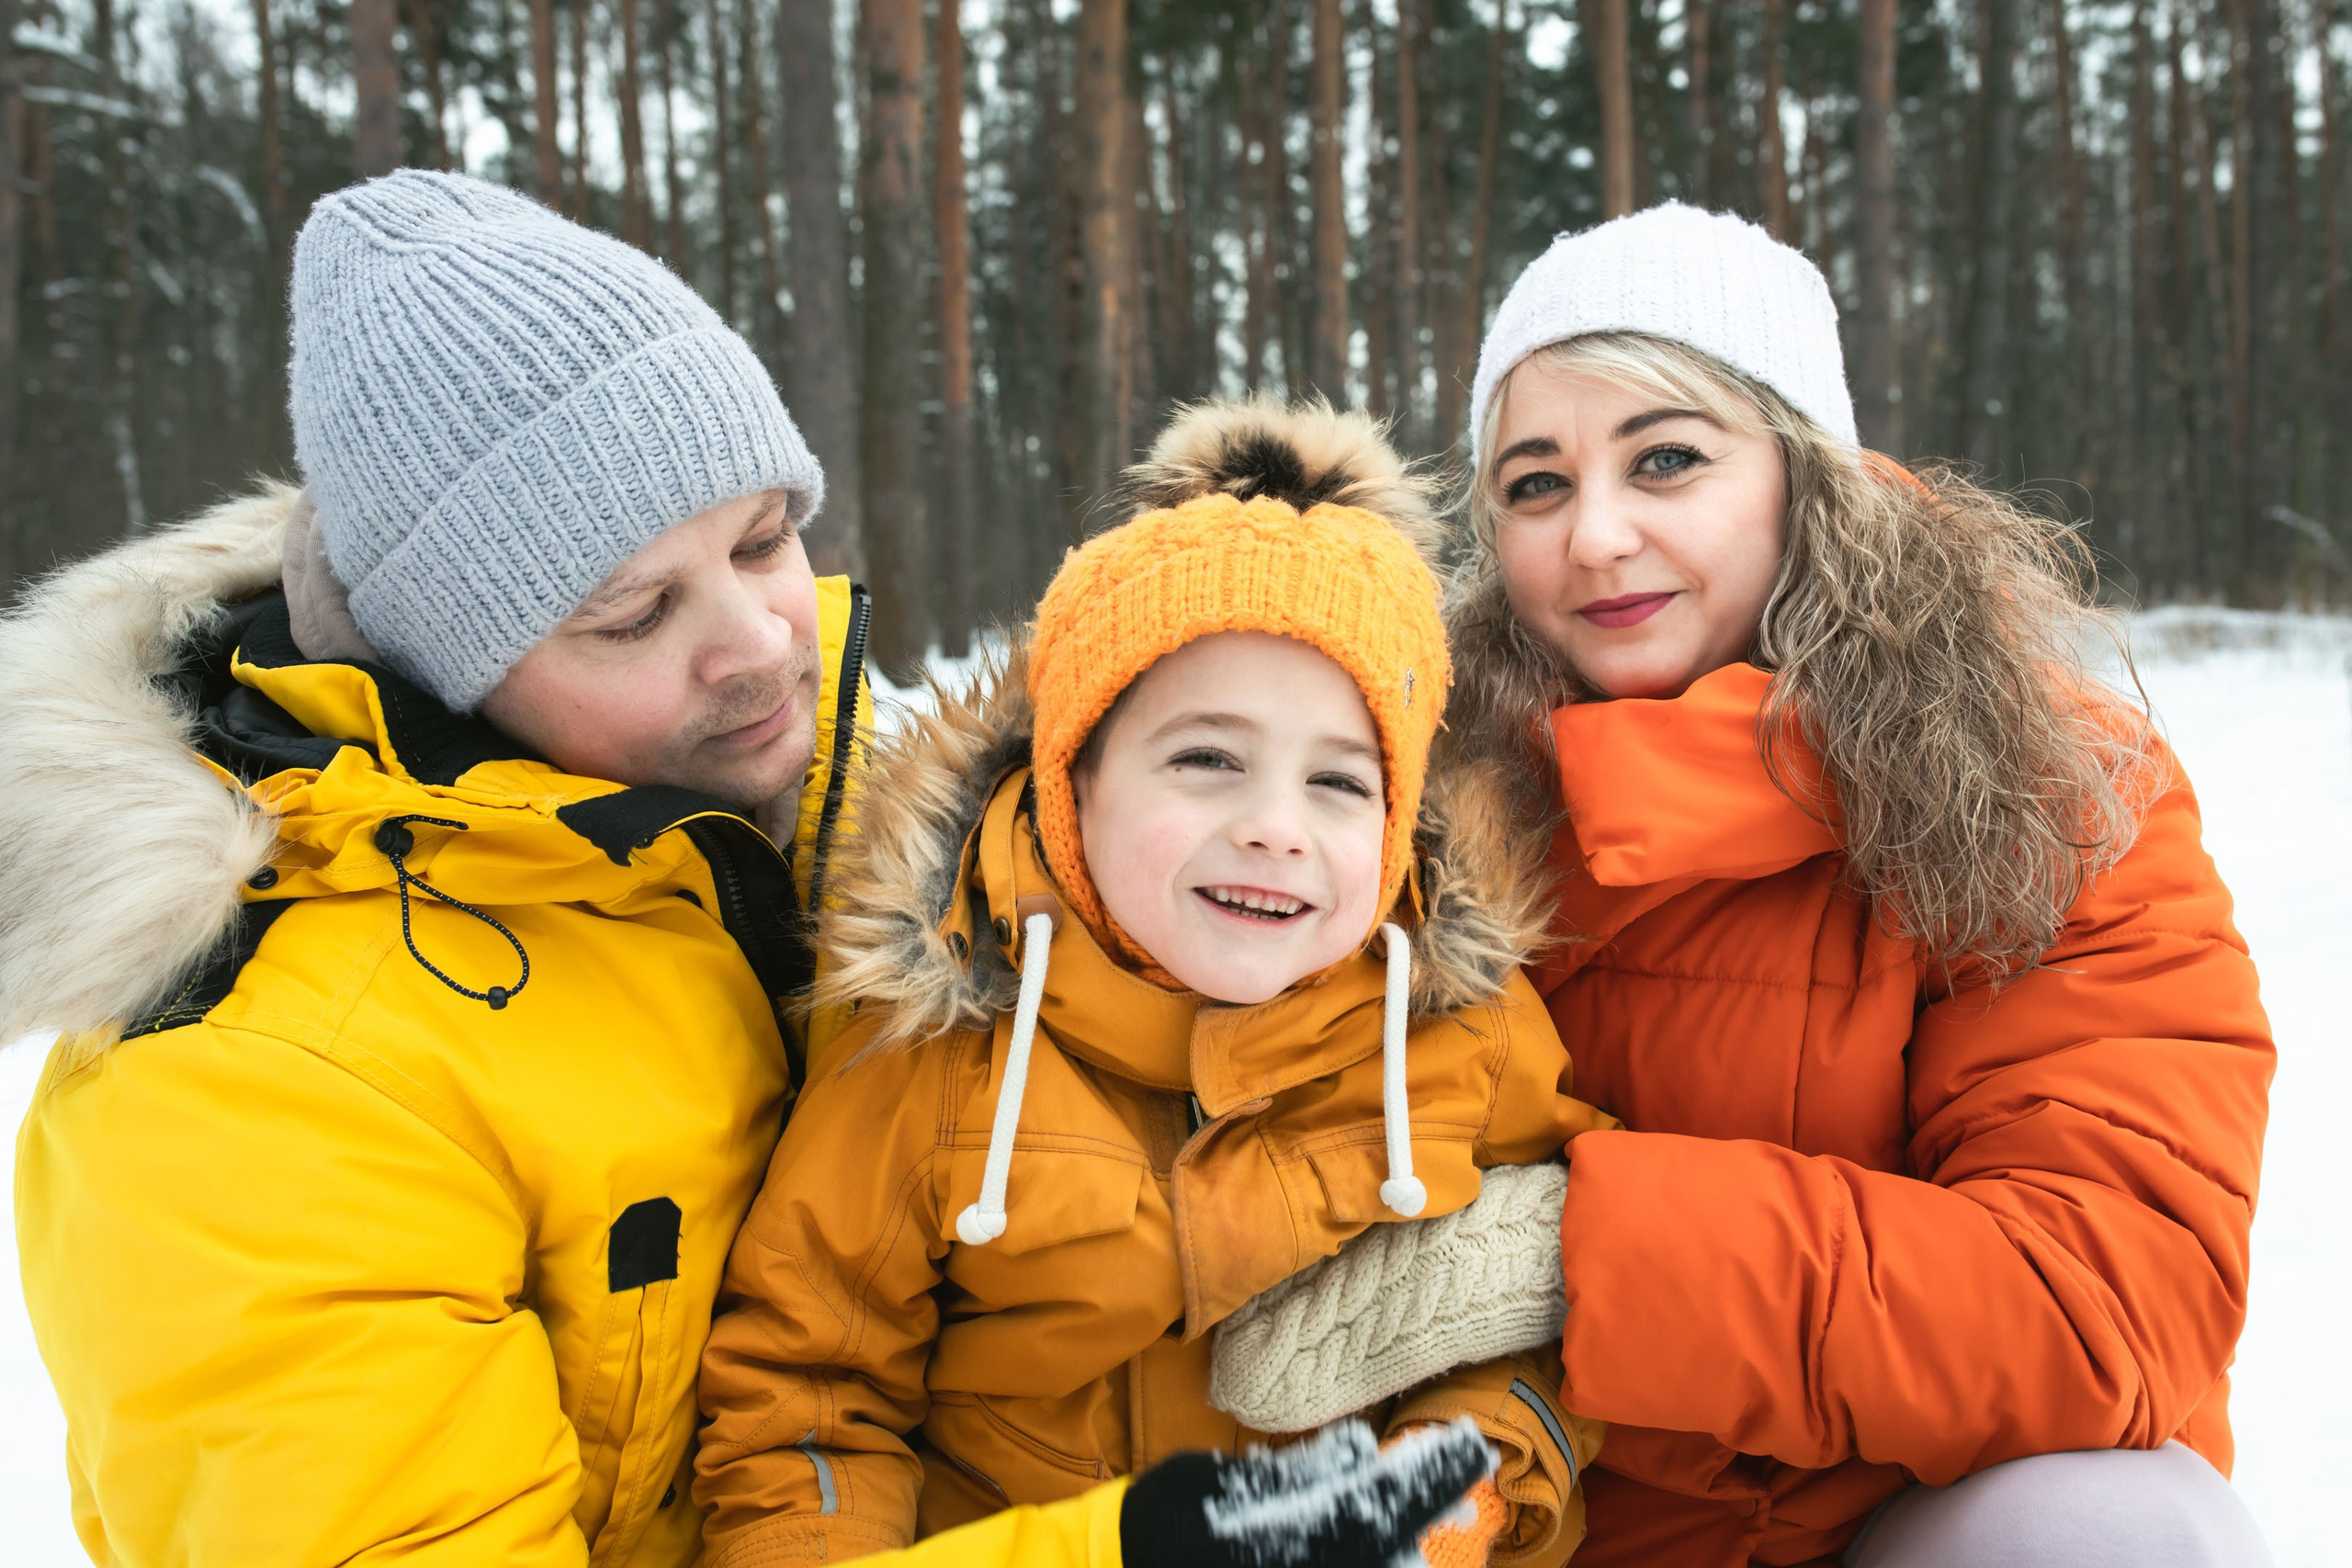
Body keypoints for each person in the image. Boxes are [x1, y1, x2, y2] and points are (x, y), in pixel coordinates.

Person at [0, 170, 1483, 1568]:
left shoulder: (832, 819)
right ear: (441, 662)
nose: (766, 640)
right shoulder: (257, 1095)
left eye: (766, 539)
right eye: (634, 612)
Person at [1216, 204, 2277, 1567]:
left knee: (2113, 1531)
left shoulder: (2047, 785)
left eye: (1665, 459)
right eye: (1534, 484)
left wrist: (1563, 1253)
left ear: (1805, 472)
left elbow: (2099, 1300)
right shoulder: (1398, 792)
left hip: (1899, 1526)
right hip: (1532, 1528)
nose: (1595, 535)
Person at [692, 401, 1611, 1568]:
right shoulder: (937, 1051)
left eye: (1339, 782)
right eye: (1207, 759)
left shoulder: (1464, 1039)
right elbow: (809, 1397)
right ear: (1070, 782)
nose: (1275, 827)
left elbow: (1544, 1307)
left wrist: (1459, 1490)